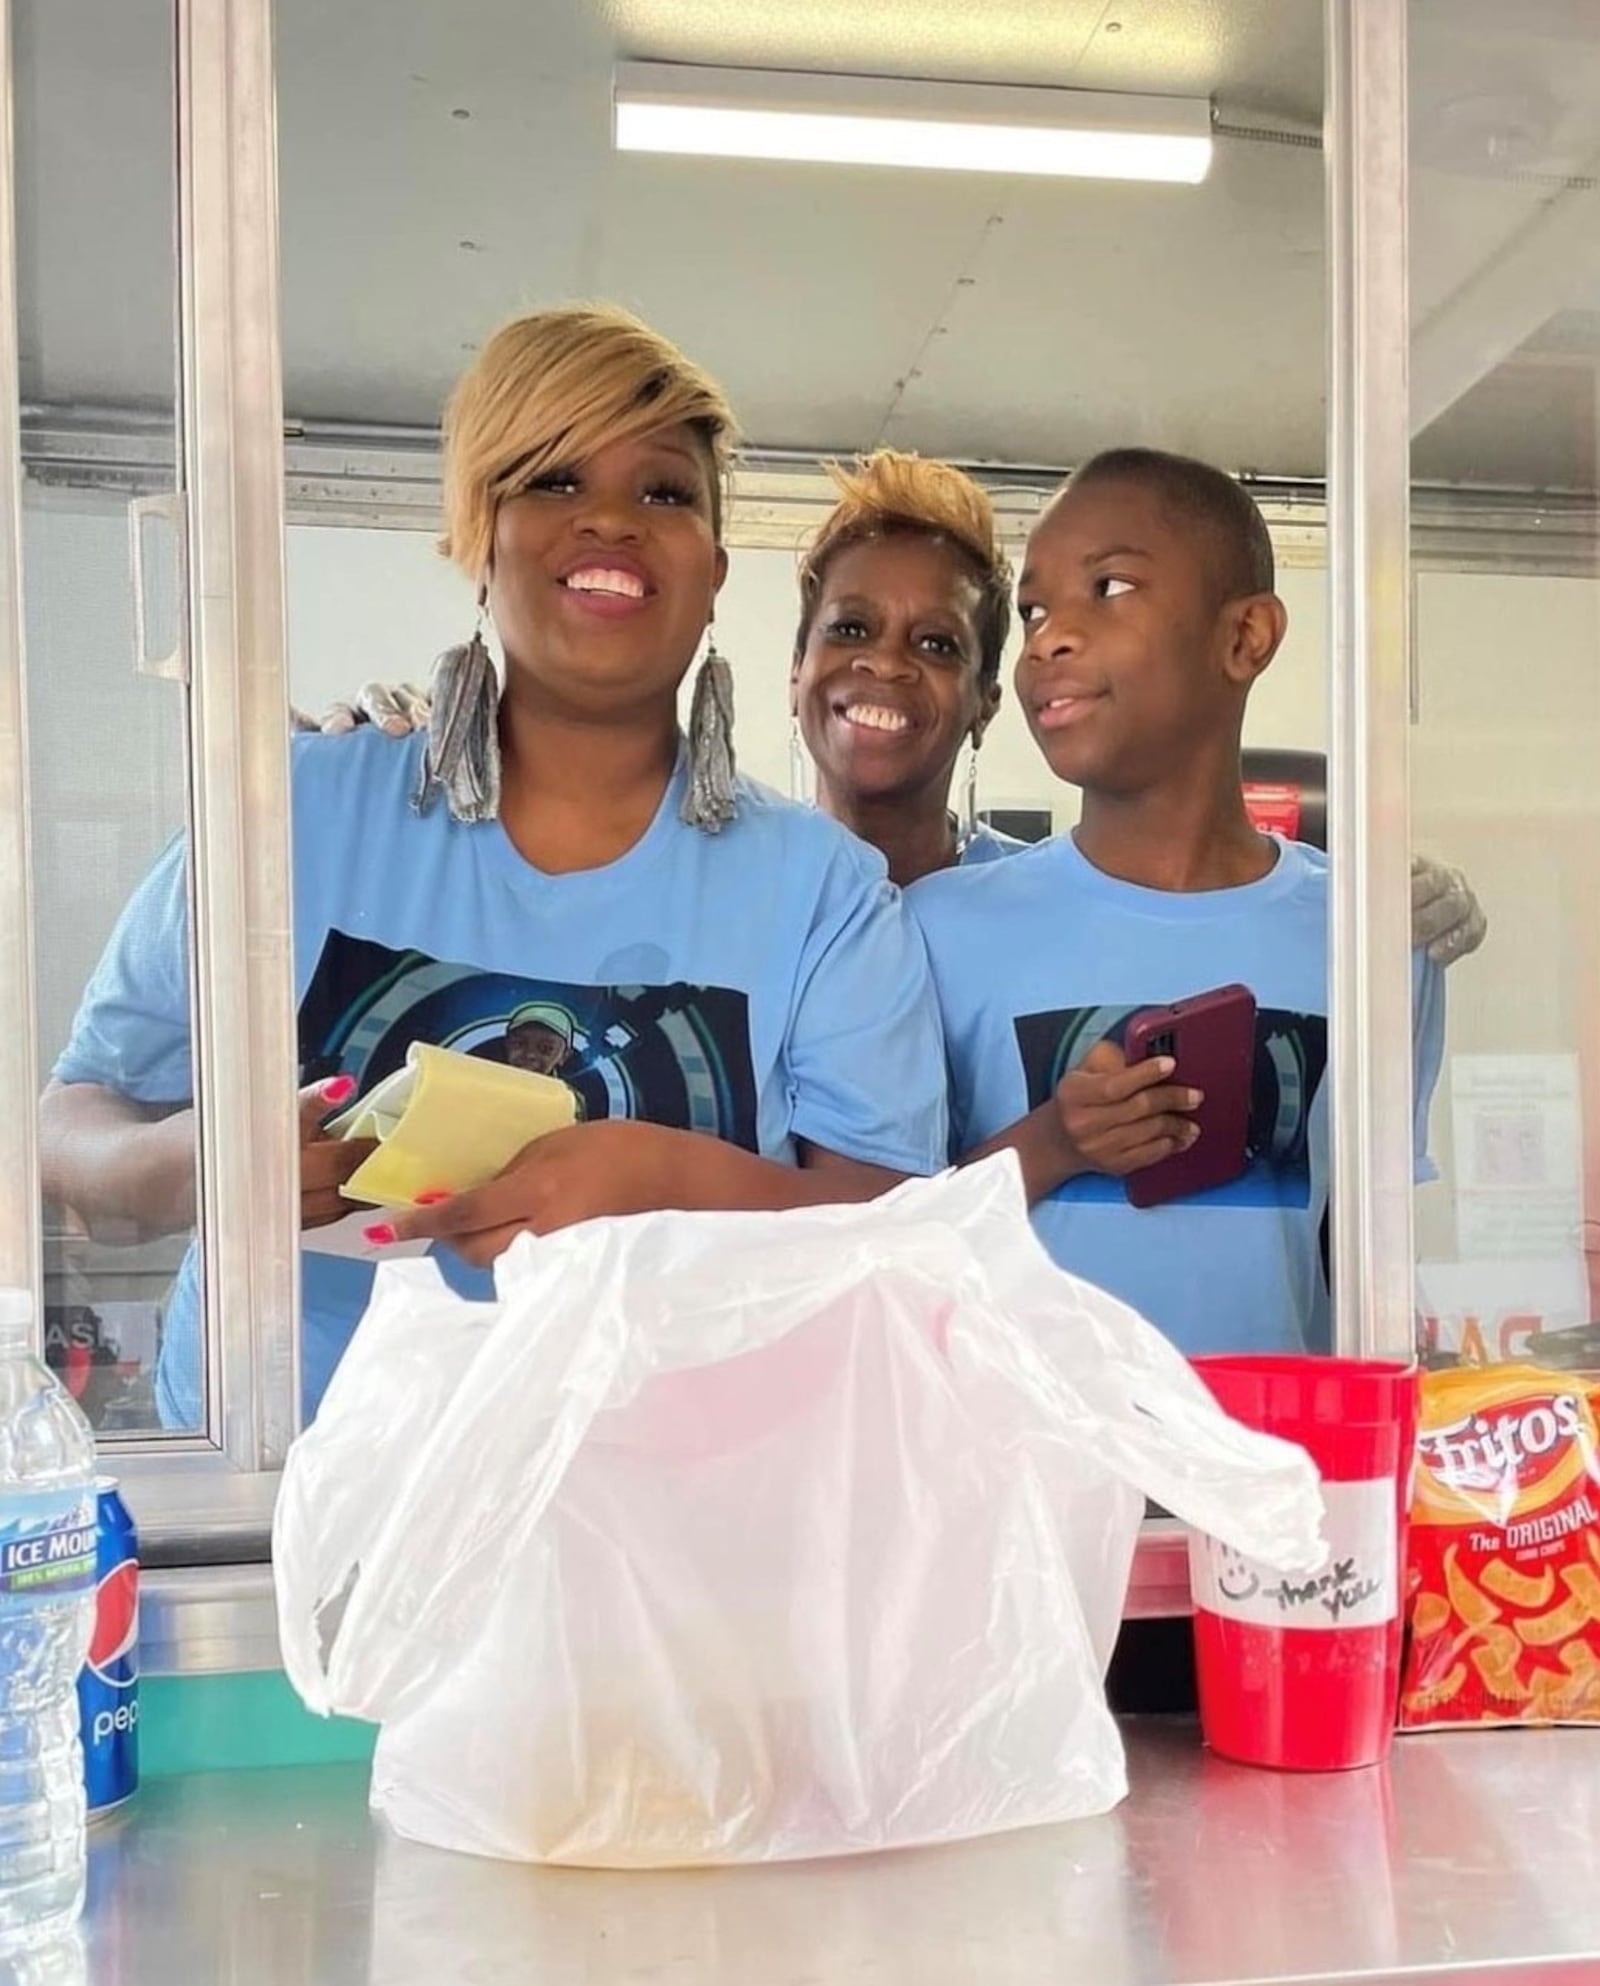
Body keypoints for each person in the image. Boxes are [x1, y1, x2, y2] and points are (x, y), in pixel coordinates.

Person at [39, 305, 950, 1428]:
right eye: (552, 481)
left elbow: (897, 1234)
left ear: (714, 572)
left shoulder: (821, 891)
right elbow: (70, 1129)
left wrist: (672, 1184)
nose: (610, 519)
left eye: (664, 492)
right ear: (479, 537)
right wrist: (211, 1162)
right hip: (297, 1515)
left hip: (665, 1523)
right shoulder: (291, 816)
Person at [316, 449, 1489, 959]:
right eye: (849, 631)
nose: (883, 667)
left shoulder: (1010, 915)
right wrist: (414, 762)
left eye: (936, 644)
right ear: (791, 667)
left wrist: (1376, 911)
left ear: (985, 701)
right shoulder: (719, 885)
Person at [910, 446, 1447, 1358]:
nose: (1049, 639)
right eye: (1034, 610)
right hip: (1026, 1481)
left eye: (1110, 587)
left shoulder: (1370, 940)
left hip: (1279, 1475)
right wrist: (1052, 1140)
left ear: (1245, 638)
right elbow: (883, 1238)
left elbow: (1360, 1248)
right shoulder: (942, 927)